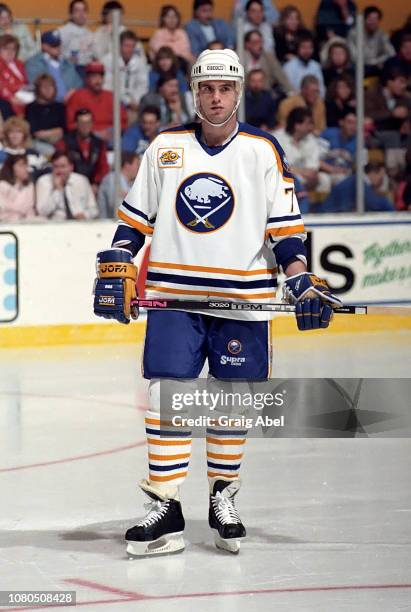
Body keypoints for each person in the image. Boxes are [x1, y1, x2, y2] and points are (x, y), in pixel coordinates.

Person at [93, 48, 342, 557]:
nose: (215, 97)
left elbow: (287, 234)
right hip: (174, 297)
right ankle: (165, 506)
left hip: (242, 302)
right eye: (206, 88)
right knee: (169, 398)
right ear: (194, 90)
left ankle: (222, 497)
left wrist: (300, 280)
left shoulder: (263, 151)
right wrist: (119, 260)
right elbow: (134, 222)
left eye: (225, 88)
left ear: (238, 92)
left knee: (231, 401)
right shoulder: (166, 146)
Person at [66, 62, 128, 142]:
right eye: (94, 77)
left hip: (111, 135)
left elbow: (123, 121)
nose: (98, 81)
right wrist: (93, 132)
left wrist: (113, 132)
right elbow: (71, 125)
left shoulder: (111, 96)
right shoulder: (77, 96)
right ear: (87, 79)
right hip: (87, 137)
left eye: (100, 77)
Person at [56, 108, 109, 193]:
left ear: (92, 123)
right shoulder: (65, 142)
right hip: (71, 184)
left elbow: (103, 168)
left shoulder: (99, 144)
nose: (85, 126)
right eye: (82, 123)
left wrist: (96, 183)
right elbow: (61, 165)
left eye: (88, 122)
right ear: (76, 124)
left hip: (93, 187)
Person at [36, 151, 98, 220]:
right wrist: (57, 190)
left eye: (63, 166)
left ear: (71, 167)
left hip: (81, 224)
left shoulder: (81, 181)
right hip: (55, 225)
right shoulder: (44, 182)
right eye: (56, 167)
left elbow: (94, 209)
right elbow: (42, 212)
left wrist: (85, 215)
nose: (59, 171)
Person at [25, 30, 82, 103]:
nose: (58, 48)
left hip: (70, 103)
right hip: (46, 104)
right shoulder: (33, 63)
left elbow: (79, 84)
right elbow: (34, 86)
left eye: (59, 44)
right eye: (54, 45)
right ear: (44, 46)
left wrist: (73, 91)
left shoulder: (67, 63)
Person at [102, 30, 149, 114]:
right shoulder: (108, 60)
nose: (130, 49)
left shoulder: (140, 62)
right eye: (126, 46)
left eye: (132, 46)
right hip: (114, 101)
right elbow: (108, 87)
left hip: (135, 103)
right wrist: (127, 101)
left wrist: (136, 100)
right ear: (119, 46)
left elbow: (142, 85)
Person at [319, 162, 395, 212]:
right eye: (380, 176)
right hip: (330, 215)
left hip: (334, 214)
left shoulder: (357, 180)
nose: (381, 181)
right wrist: (386, 202)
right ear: (372, 173)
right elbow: (373, 204)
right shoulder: (358, 182)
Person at [25, 74, 66, 157]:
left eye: (51, 86)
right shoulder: (31, 108)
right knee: (51, 151)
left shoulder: (60, 107)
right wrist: (54, 132)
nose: (48, 90)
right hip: (38, 142)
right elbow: (36, 132)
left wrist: (47, 132)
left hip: (59, 141)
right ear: (38, 89)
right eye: (44, 87)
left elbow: (64, 129)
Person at [347, 6, 394, 77]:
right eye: (370, 19)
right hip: (358, 66)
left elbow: (391, 53)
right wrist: (373, 62)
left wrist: (377, 61)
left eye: (376, 19)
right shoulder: (353, 33)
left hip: (375, 66)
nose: (373, 22)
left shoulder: (381, 34)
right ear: (364, 19)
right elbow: (354, 57)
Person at [244, 30, 292, 96]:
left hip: (265, 95)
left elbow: (281, 76)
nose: (260, 45)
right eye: (256, 42)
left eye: (261, 42)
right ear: (247, 44)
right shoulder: (239, 57)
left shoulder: (269, 57)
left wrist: (291, 91)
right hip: (244, 96)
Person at [58, 0, 94, 80]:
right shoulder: (62, 32)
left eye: (84, 10)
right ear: (71, 14)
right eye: (77, 10)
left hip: (88, 71)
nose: (81, 14)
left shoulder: (90, 34)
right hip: (69, 70)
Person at [97, 151, 140, 218]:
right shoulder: (112, 179)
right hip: (108, 225)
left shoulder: (131, 183)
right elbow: (115, 206)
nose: (139, 168)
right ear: (127, 165)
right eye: (137, 164)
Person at [283, 31, 325, 98]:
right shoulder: (289, 67)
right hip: (296, 102)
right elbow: (288, 90)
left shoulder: (316, 66)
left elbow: (322, 90)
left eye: (310, 47)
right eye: (303, 47)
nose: (307, 51)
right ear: (297, 48)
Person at [320, 109, 357, 186]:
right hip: (326, 173)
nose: (353, 126)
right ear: (341, 122)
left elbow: (359, 166)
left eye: (355, 123)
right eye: (349, 122)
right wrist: (333, 170)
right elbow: (316, 160)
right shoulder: (328, 135)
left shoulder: (359, 141)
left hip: (346, 174)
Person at [0, 34, 30, 114]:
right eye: (6, 49)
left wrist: (26, 97)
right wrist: (11, 98)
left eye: (13, 49)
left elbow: (26, 83)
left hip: (23, 98)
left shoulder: (19, 64)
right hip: (6, 100)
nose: (10, 52)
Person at [0, 154, 35, 221]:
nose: (25, 168)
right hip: (6, 221)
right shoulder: (2, 185)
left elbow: (29, 206)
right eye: (21, 165)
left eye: (26, 165)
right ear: (11, 168)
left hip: (27, 221)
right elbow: (3, 207)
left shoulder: (29, 185)